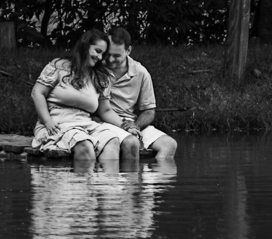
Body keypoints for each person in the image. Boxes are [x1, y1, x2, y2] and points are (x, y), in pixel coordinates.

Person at [30, 29, 127, 162]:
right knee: (85, 144)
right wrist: (47, 121)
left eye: (102, 54)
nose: (100, 57)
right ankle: (82, 182)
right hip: (57, 123)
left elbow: (105, 110)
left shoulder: (100, 77)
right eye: (97, 51)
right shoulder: (59, 66)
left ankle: (107, 182)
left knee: (112, 141)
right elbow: (37, 93)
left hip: (85, 124)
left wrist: (126, 127)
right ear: (85, 46)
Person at [103, 27, 178, 160]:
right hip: (104, 122)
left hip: (129, 122)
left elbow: (149, 111)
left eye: (116, 55)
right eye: (107, 54)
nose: (110, 59)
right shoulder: (96, 68)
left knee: (170, 145)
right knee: (132, 143)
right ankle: (130, 179)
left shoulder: (141, 72)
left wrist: (135, 126)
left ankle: (151, 179)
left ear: (128, 51)